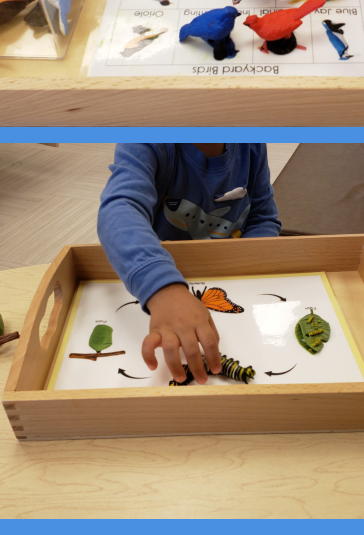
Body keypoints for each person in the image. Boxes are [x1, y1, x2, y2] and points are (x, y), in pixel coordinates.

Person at [96, 144, 281, 384]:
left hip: (231, 285)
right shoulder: (146, 139)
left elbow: (263, 219)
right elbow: (119, 208)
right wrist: (162, 289)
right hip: (164, 280)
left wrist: (250, 272)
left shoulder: (252, 141)